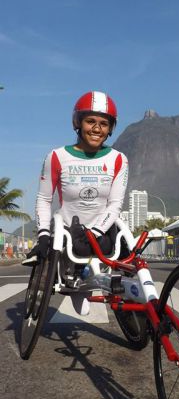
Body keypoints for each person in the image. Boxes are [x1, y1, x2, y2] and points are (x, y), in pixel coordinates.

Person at [24, 91, 128, 314]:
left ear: (110, 128)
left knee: (128, 249)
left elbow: (115, 204)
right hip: (69, 230)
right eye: (90, 121)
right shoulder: (56, 156)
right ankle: (75, 279)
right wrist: (43, 234)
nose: (97, 128)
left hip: (102, 230)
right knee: (75, 249)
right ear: (78, 123)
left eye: (104, 123)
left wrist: (96, 231)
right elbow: (44, 199)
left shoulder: (118, 159)